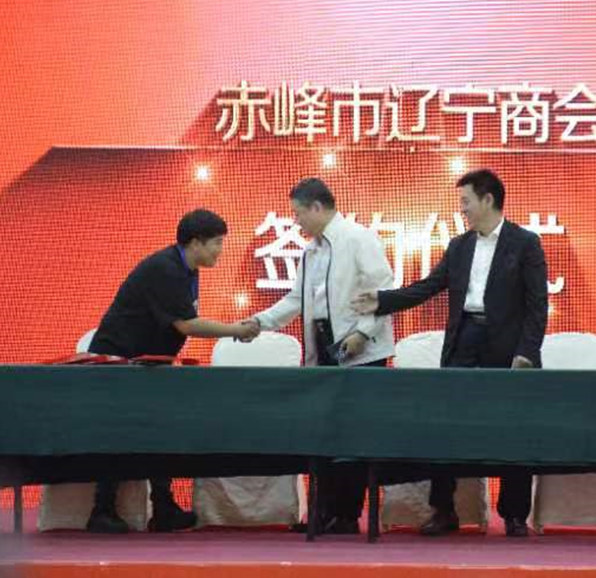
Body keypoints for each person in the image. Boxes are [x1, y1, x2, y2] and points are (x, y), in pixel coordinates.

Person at [352, 169, 548, 537]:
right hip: (464, 340)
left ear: (488, 199)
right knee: (445, 426)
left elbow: (537, 305)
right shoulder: (460, 246)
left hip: (507, 346)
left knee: (513, 429)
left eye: (466, 201)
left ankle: (515, 514)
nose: (462, 209)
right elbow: (428, 286)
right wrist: (383, 300)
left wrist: (527, 352)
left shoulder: (525, 243)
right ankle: (444, 510)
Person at [86, 209, 259, 534]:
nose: (220, 250)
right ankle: (102, 510)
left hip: (149, 364)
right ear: (195, 243)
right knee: (119, 434)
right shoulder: (165, 269)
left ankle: (163, 508)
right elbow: (186, 325)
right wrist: (235, 329)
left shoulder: (187, 269)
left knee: (160, 431)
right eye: (217, 243)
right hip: (118, 363)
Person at [247, 178, 395, 534]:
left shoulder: (358, 238)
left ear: (317, 207)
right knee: (324, 432)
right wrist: (258, 322)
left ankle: (347, 515)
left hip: (362, 351)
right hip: (326, 347)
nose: (296, 221)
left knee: (354, 434)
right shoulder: (310, 251)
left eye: (298, 213)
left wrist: (363, 332)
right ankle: (323, 511)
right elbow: (296, 300)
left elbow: (384, 290)